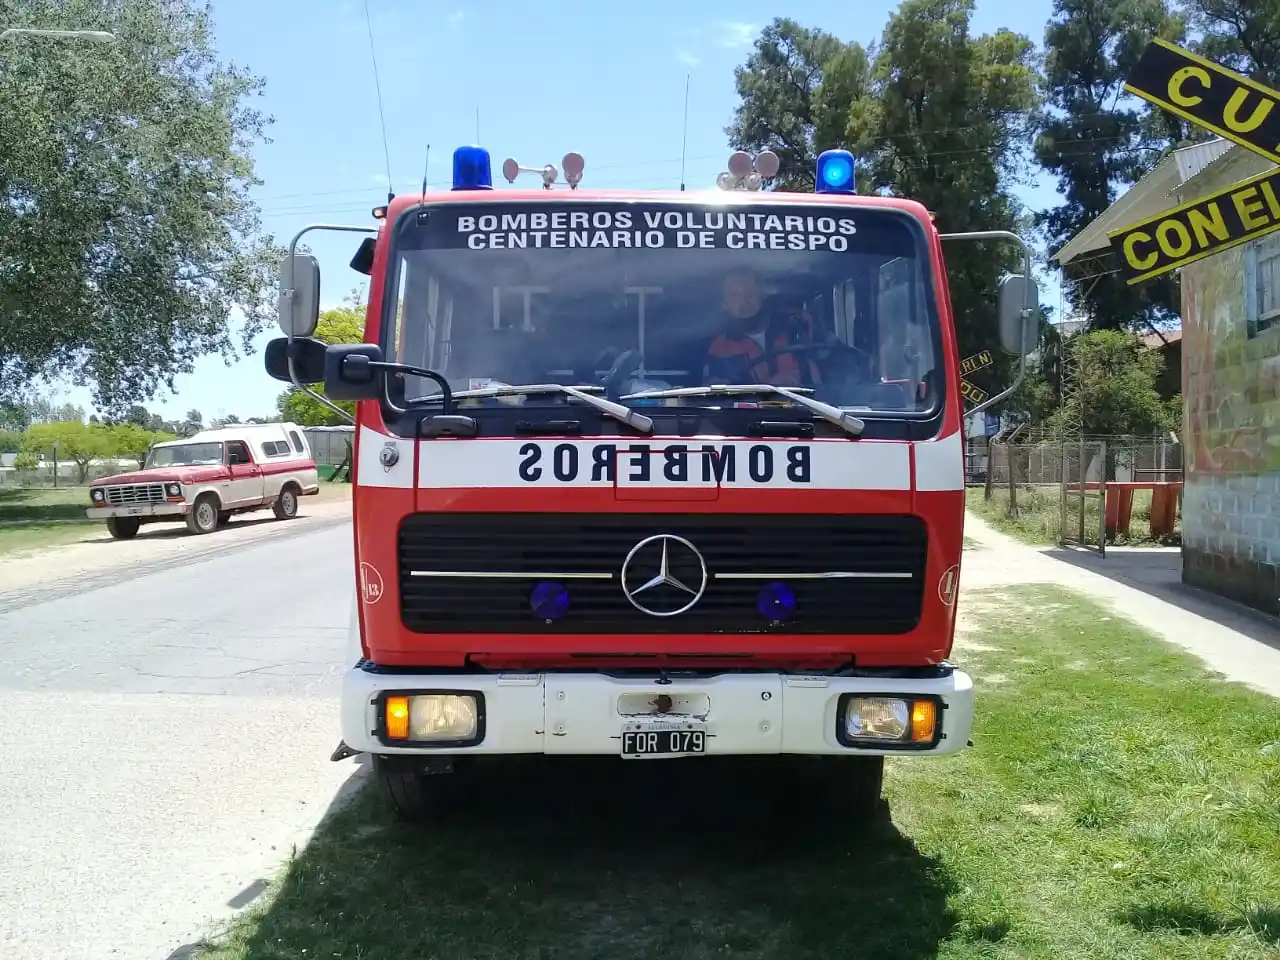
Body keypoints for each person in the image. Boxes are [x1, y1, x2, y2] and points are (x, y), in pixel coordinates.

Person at [702, 269, 824, 387]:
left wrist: (795, 380)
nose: (744, 300)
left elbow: (831, 366)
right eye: (735, 295)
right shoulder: (718, 349)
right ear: (724, 304)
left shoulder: (798, 326)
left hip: (803, 400)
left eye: (749, 291)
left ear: (763, 293)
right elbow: (714, 392)